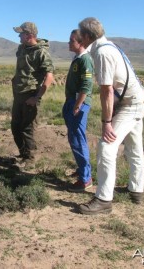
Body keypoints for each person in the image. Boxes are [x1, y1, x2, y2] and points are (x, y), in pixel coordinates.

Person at [78, 17, 144, 215]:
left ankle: (103, 199)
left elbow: (107, 90)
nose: (78, 37)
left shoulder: (103, 53)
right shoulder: (110, 46)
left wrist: (107, 122)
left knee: (107, 146)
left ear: (88, 35)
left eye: (80, 33)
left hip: (130, 104)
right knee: (134, 146)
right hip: (136, 99)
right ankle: (136, 190)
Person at [11, 22, 54, 165]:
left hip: (31, 94)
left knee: (27, 128)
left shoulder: (41, 52)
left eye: (21, 33)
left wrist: (36, 98)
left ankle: (30, 159)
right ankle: (23, 154)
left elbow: (49, 77)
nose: (18, 36)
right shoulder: (21, 48)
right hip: (18, 93)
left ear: (29, 35)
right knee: (15, 126)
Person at [63, 29, 94, 192]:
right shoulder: (77, 58)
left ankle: (85, 179)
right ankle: (84, 171)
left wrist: (77, 105)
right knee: (75, 138)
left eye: (71, 40)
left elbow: (87, 86)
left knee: (77, 140)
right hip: (72, 102)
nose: (68, 43)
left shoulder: (85, 60)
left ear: (81, 43)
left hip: (78, 104)